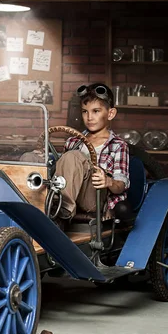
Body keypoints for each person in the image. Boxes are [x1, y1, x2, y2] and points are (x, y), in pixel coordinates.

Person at [54, 83, 129, 227]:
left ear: (111, 113)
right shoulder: (72, 141)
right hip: (71, 192)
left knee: (73, 156)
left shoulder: (118, 145)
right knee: (30, 158)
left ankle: (62, 214)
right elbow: (62, 173)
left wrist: (108, 182)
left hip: (95, 198)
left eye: (96, 111)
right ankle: (38, 209)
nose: (89, 117)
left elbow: (121, 185)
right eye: (85, 111)